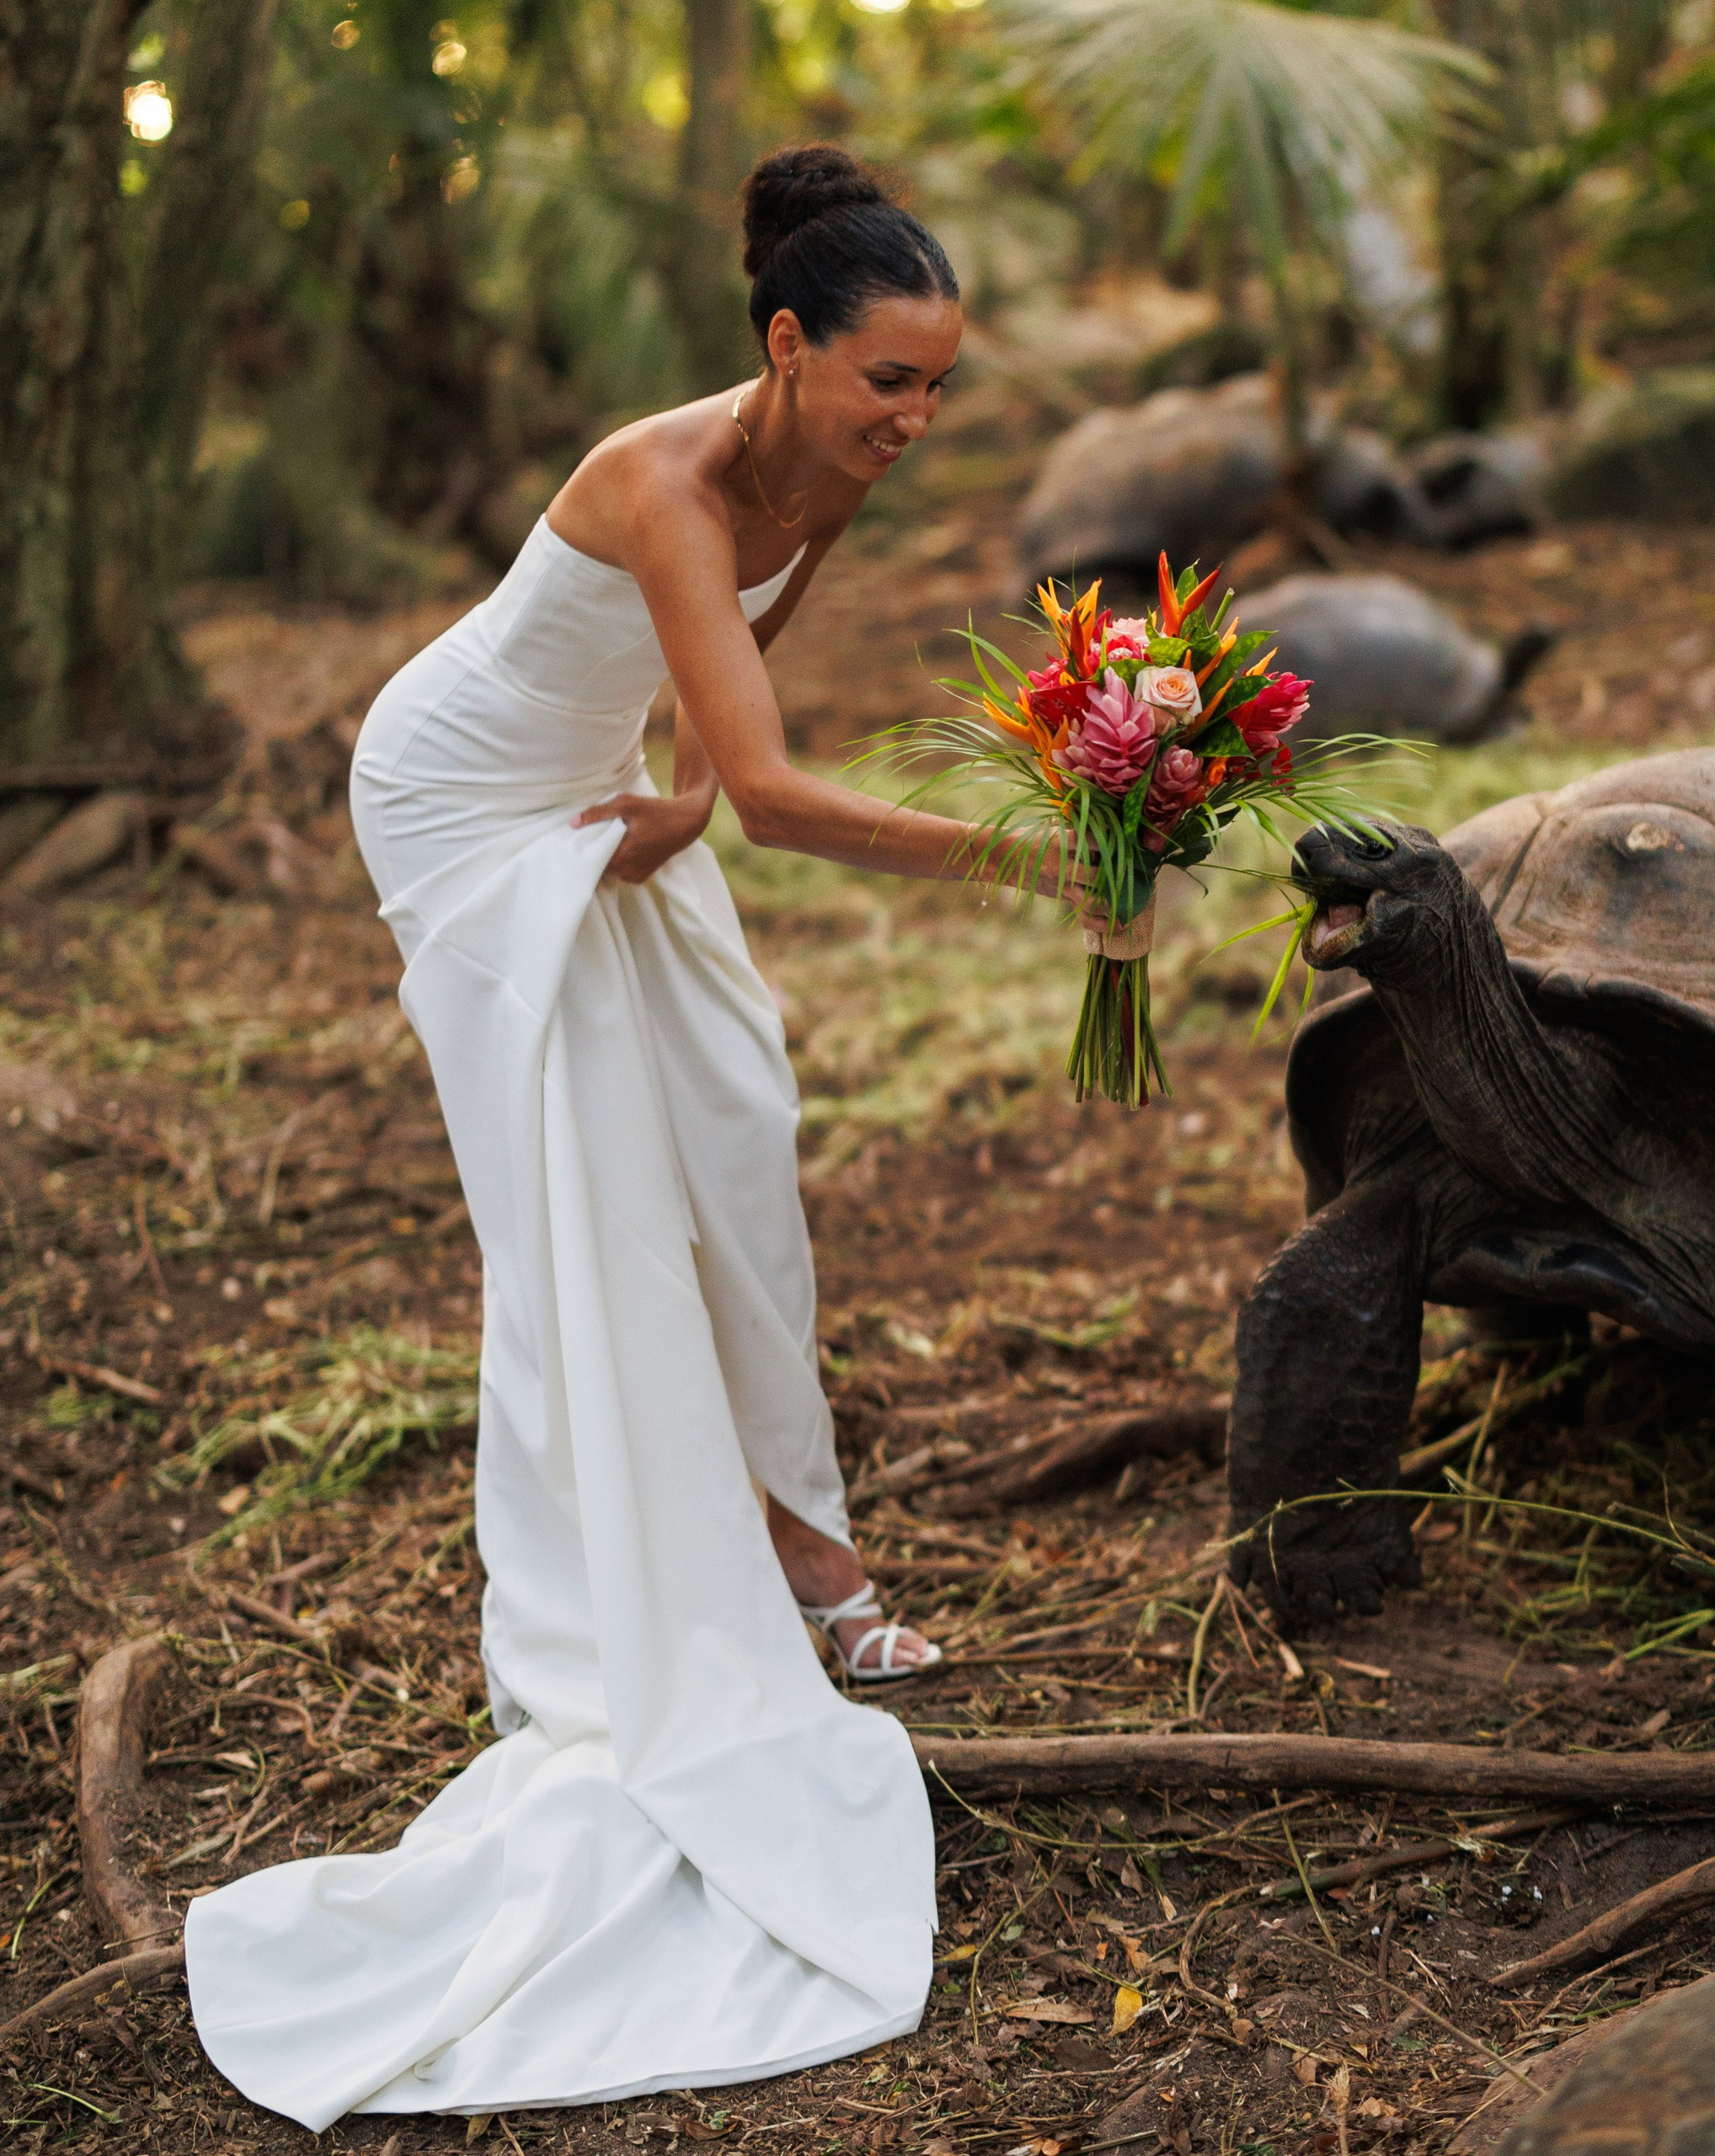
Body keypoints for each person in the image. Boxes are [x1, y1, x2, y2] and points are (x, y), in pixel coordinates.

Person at [186, 145, 1066, 2128]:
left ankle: (803, 1538)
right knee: (591, 1189)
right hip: (454, 804)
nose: (912, 426)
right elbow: (766, 785)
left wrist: (657, 796)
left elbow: (710, 722)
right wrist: (1034, 852)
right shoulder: (656, 477)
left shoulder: (823, 476)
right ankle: (722, 1581)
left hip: (594, 787)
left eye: (939, 390)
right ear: (783, 342)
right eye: (885, 386)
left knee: (734, 1125)